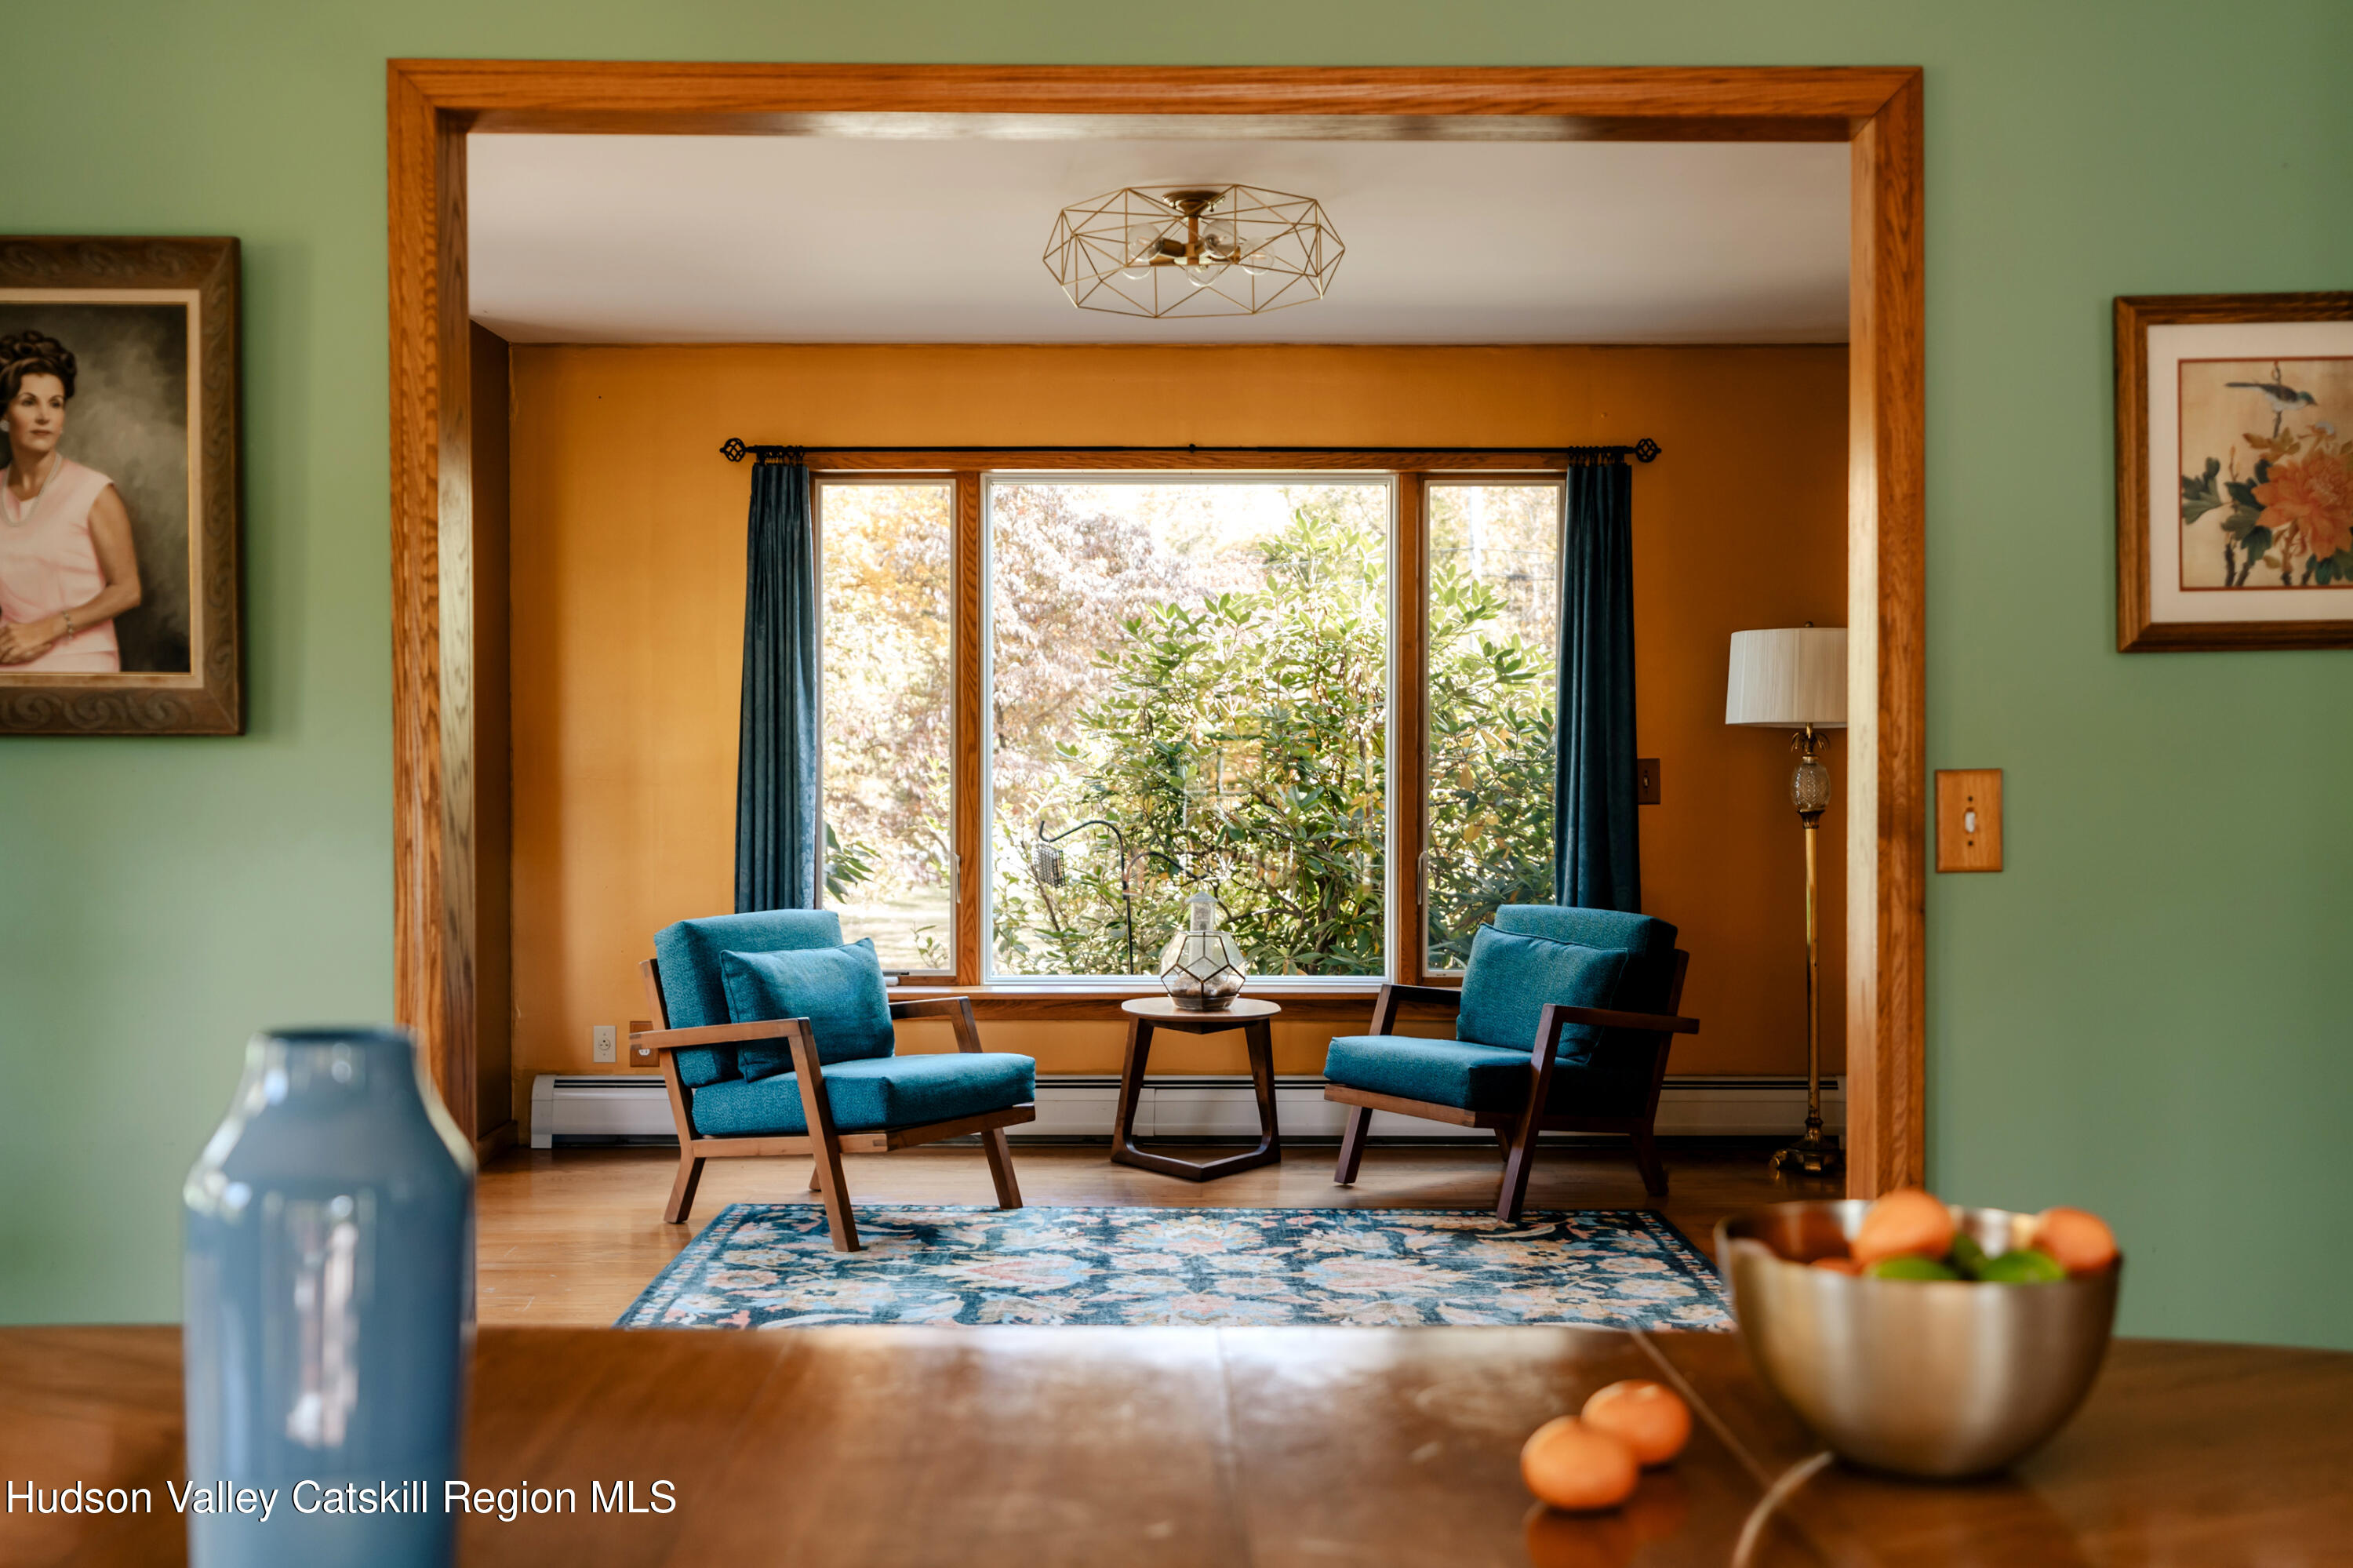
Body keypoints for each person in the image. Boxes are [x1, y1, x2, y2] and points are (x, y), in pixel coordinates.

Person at [0, 330, 142, 670]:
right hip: (8, 661)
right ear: (4, 415)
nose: (44, 417)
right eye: (28, 402)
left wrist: (45, 629)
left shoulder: (93, 491)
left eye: (56, 403)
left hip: (82, 664)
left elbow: (128, 589)